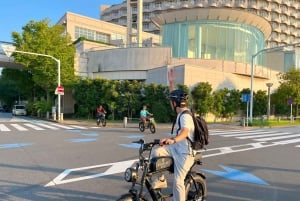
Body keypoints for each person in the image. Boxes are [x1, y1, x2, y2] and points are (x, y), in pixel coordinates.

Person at [150, 68, 195, 201]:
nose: (171, 103)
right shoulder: (180, 112)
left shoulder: (185, 116)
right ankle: (161, 180)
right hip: (176, 149)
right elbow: (173, 95)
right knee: (157, 151)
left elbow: (185, 132)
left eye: (172, 101)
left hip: (184, 153)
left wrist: (172, 140)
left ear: (176, 103)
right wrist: (171, 83)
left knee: (178, 182)